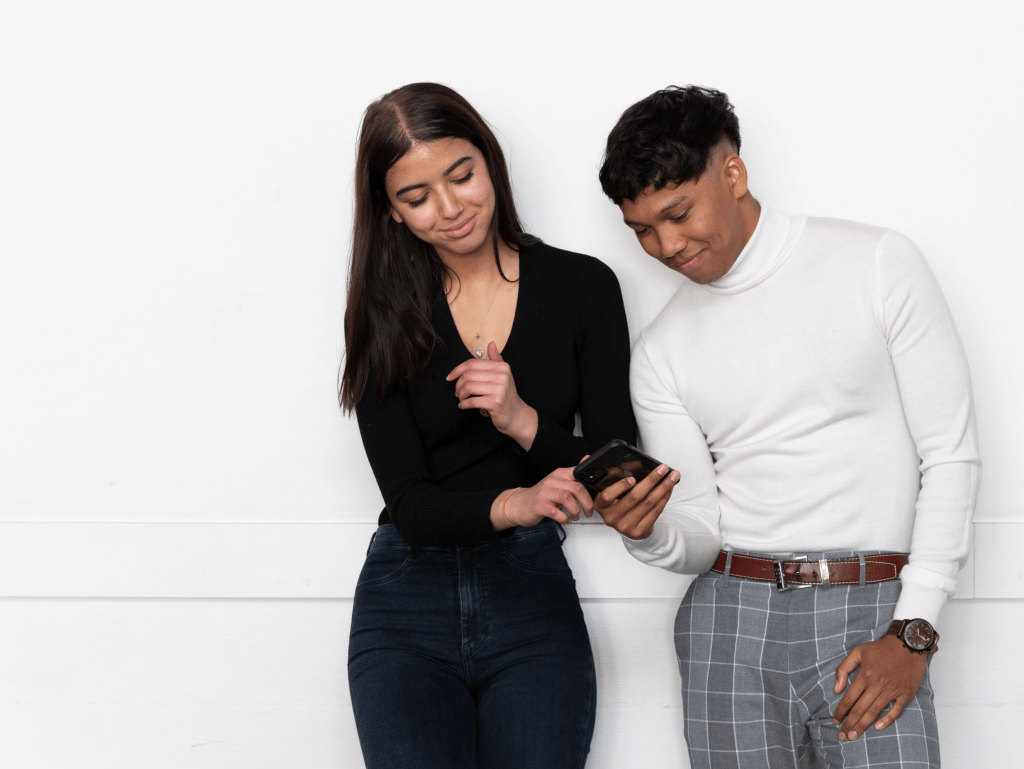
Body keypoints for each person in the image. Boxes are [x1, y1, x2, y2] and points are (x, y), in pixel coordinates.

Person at [595, 85, 980, 769]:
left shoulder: (877, 263)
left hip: (870, 611)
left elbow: (949, 456)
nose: (666, 244)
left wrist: (914, 628)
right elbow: (699, 533)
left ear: (732, 173)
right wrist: (648, 531)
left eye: (678, 213)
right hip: (728, 622)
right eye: (643, 229)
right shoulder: (661, 349)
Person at [340, 82, 676, 769]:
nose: (451, 207)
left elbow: (619, 471)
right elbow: (410, 504)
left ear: (490, 162)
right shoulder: (383, 313)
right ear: (392, 213)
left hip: (529, 595)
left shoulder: (584, 288)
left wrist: (524, 421)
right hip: (406, 599)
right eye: (416, 196)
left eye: (462, 175)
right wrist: (517, 502)